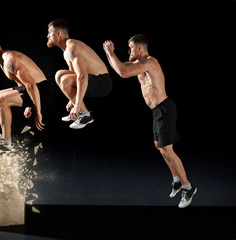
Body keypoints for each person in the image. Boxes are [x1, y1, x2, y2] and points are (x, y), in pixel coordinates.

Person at [103, 34, 197, 208]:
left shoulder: (150, 62)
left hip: (165, 109)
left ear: (140, 49)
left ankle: (188, 187)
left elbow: (123, 73)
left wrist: (111, 52)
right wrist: (109, 54)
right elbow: (121, 68)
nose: (128, 51)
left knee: (167, 150)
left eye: (131, 48)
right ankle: (176, 179)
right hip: (157, 111)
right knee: (159, 147)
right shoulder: (139, 65)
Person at [0, 32, 49, 148]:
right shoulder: (2, 61)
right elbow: (21, 83)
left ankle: (6, 142)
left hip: (41, 89)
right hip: (30, 89)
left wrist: (38, 112)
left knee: (2, 99)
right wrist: (28, 105)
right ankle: (4, 139)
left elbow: (31, 85)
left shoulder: (9, 60)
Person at [47, 19, 112, 129]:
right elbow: (74, 75)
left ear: (59, 33)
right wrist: (71, 100)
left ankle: (85, 115)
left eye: (49, 33)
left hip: (102, 82)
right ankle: (82, 113)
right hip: (91, 79)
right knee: (59, 74)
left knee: (64, 80)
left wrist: (77, 105)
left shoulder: (72, 47)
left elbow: (82, 76)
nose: (48, 36)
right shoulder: (66, 52)